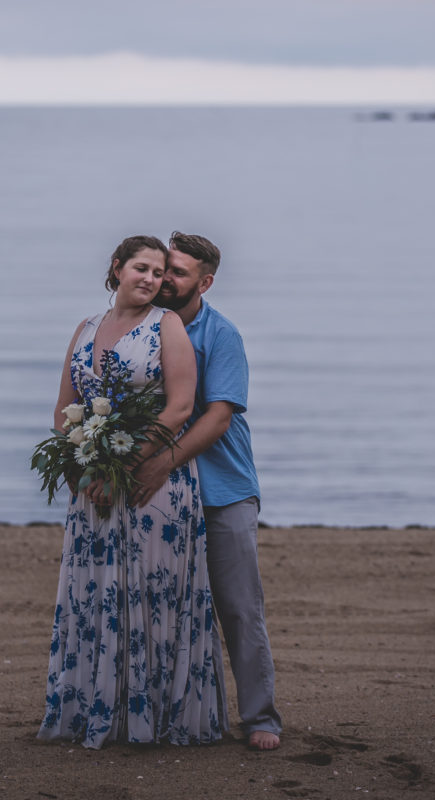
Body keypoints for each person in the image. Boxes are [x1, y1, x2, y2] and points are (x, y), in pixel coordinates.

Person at [36, 235, 227, 748]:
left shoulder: (167, 327)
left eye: (160, 272)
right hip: (92, 488)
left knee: (152, 595)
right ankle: (94, 711)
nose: (151, 279)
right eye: (141, 267)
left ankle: (154, 717)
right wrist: (81, 468)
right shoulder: (85, 328)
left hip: (150, 484)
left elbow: (180, 409)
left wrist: (119, 466)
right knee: (95, 593)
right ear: (117, 268)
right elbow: (64, 411)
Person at [131, 231, 282, 751]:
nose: (165, 279)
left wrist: (159, 463)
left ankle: (261, 716)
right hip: (164, 494)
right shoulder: (147, 327)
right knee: (160, 608)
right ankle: (165, 713)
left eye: (177, 272)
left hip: (223, 489)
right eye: (162, 268)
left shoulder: (222, 335)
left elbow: (218, 418)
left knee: (239, 608)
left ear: (205, 281)